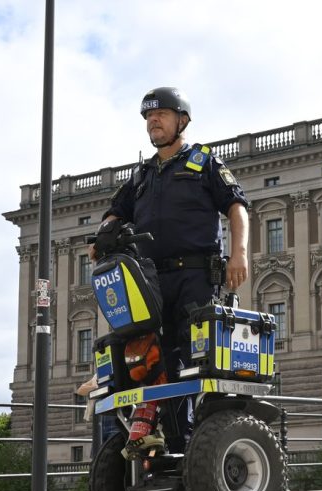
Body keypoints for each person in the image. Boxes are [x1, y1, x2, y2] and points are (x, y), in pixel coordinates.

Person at [91, 87, 251, 454]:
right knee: (151, 357)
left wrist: (239, 254)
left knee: (193, 358)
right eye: (148, 117)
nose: (153, 122)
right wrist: (105, 233)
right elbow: (116, 211)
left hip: (195, 275)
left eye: (160, 115)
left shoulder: (204, 162)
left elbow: (236, 208)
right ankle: (161, 434)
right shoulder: (143, 175)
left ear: (182, 120)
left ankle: (196, 438)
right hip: (150, 280)